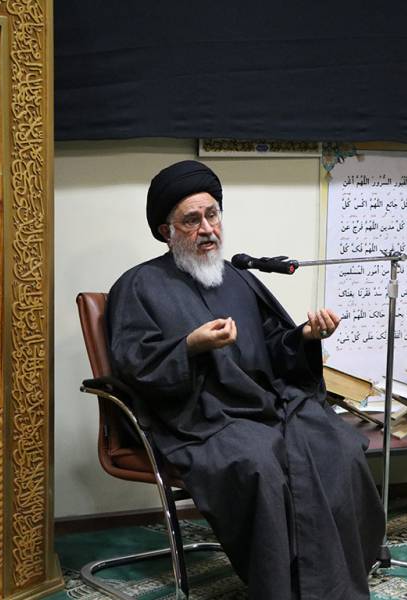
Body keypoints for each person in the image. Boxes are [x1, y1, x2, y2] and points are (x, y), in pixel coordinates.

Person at [106, 160, 385, 600]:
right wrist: (190, 346)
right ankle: (281, 588)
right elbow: (132, 364)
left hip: (267, 404)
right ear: (166, 231)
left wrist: (305, 336)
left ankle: (336, 578)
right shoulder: (138, 285)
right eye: (192, 220)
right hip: (199, 418)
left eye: (212, 215)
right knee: (259, 461)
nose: (207, 229)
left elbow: (274, 346)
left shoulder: (238, 277)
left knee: (339, 446)